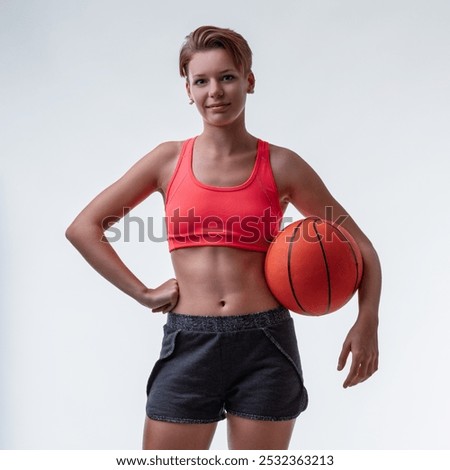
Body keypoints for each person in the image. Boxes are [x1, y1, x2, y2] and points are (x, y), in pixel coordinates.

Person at [66, 25, 381, 450]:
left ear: (249, 81)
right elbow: (83, 228)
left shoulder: (283, 166)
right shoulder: (167, 160)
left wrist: (367, 321)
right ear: (188, 90)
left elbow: (360, 247)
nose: (215, 91)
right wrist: (141, 292)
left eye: (227, 77)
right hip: (189, 341)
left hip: (265, 345)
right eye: (202, 81)